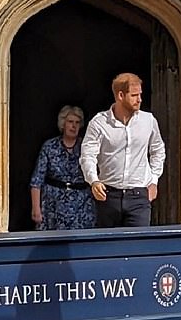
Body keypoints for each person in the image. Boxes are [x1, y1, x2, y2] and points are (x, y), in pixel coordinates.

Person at [80, 73, 166, 227]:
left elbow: (158, 150)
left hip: (138, 195)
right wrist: (93, 180)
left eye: (140, 94)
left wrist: (154, 180)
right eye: (134, 95)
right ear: (120, 95)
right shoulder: (99, 123)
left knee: (138, 247)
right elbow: (88, 155)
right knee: (107, 247)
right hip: (108, 195)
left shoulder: (148, 120)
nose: (139, 99)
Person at [29, 105, 96, 230]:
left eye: (77, 122)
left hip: (82, 205)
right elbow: (37, 180)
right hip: (53, 205)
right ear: (63, 124)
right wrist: (36, 208)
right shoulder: (49, 146)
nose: (74, 126)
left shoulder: (87, 146)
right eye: (70, 122)